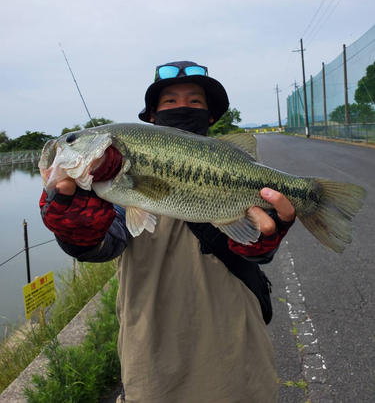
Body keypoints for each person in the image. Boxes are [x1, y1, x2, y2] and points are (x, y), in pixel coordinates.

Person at [40, 61, 295, 403]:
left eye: (195, 100)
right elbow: (105, 245)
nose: (183, 107)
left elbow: (259, 249)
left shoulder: (232, 168)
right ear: (152, 118)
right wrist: (75, 232)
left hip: (234, 335)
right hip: (153, 344)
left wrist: (263, 242)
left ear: (210, 117)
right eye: (170, 101)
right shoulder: (107, 186)